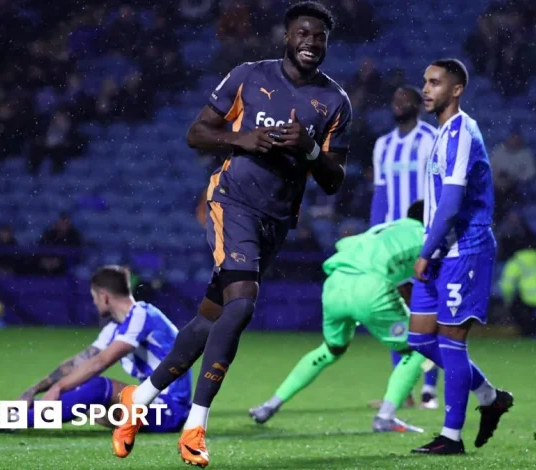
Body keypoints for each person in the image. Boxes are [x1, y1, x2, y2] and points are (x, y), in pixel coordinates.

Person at [110, 2, 352, 467]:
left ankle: (136, 400)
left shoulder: (335, 101)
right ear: (287, 37)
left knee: (209, 319)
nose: (311, 42)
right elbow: (197, 132)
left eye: (320, 36)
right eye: (303, 33)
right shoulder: (248, 76)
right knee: (242, 305)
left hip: (276, 220)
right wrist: (240, 139)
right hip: (231, 203)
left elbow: (334, 179)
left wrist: (307, 151)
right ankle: (195, 427)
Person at [407, 59, 513, 455]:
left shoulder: (464, 132)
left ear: (456, 90)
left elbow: (450, 204)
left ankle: (451, 436)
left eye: (435, 82)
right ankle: (489, 396)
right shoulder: (441, 132)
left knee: (452, 340)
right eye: (425, 81)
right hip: (439, 251)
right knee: (419, 338)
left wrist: (425, 251)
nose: (426, 89)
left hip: (463, 250)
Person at [249, 200, 428, 433]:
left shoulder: (383, 229)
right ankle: (385, 417)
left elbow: (345, 243)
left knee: (330, 349)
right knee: (417, 349)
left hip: (336, 283)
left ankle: (269, 406)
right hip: (369, 287)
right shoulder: (425, 235)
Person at [4, 266, 191, 432]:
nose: (94, 303)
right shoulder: (115, 328)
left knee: (99, 387)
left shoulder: (143, 314)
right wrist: (32, 390)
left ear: (104, 296)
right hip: (148, 406)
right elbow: (79, 362)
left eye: (94, 297)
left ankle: (7, 420)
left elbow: (100, 362)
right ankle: (14, 413)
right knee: (85, 398)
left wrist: (58, 387)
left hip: (169, 410)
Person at [370, 85, 440, 410]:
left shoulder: (430, 139)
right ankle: (404, 392)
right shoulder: (382, 145)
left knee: (425, 313)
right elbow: (380, 195)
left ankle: (429, 388)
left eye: (405, 98)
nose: (398, 103)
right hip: (391, 246)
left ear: (418, 105)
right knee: (395, 317)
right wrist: (374, 236)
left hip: (422, 240)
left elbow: (438, 192)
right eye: (394, 98)